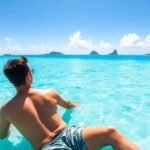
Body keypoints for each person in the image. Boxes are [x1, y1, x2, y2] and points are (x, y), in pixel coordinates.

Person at [0, 56, 139, 150]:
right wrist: (76, 104)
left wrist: (11, 124)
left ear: (11, 80)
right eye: (32, 71)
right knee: (110, 132)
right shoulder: (49, 92)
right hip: (71, 134)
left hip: (47, 146)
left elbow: (2, 135)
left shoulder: (6, 110)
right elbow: (68, 105)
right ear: (29, 75)